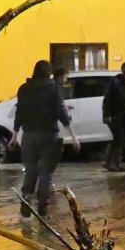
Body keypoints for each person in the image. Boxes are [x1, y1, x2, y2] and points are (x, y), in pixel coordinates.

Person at [14, 59, 75, 216]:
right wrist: (73, 136)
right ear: (48, 72)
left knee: (31, 170)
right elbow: (60, 112)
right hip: (49, 136)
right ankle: (43, 206)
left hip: (29, 136)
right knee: (46, 172)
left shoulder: (23, 88)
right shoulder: (53, 88)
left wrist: (14, 135)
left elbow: (19, 112)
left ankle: (26, 197)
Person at [101, 62, 125, 171]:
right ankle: (112, 163)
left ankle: (113, 163)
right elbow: (107, 99)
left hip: (123, 115)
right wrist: (107, 114)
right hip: (114, 115)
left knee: (120, 138)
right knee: (119, 137)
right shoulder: (115, 82)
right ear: (123, 70)